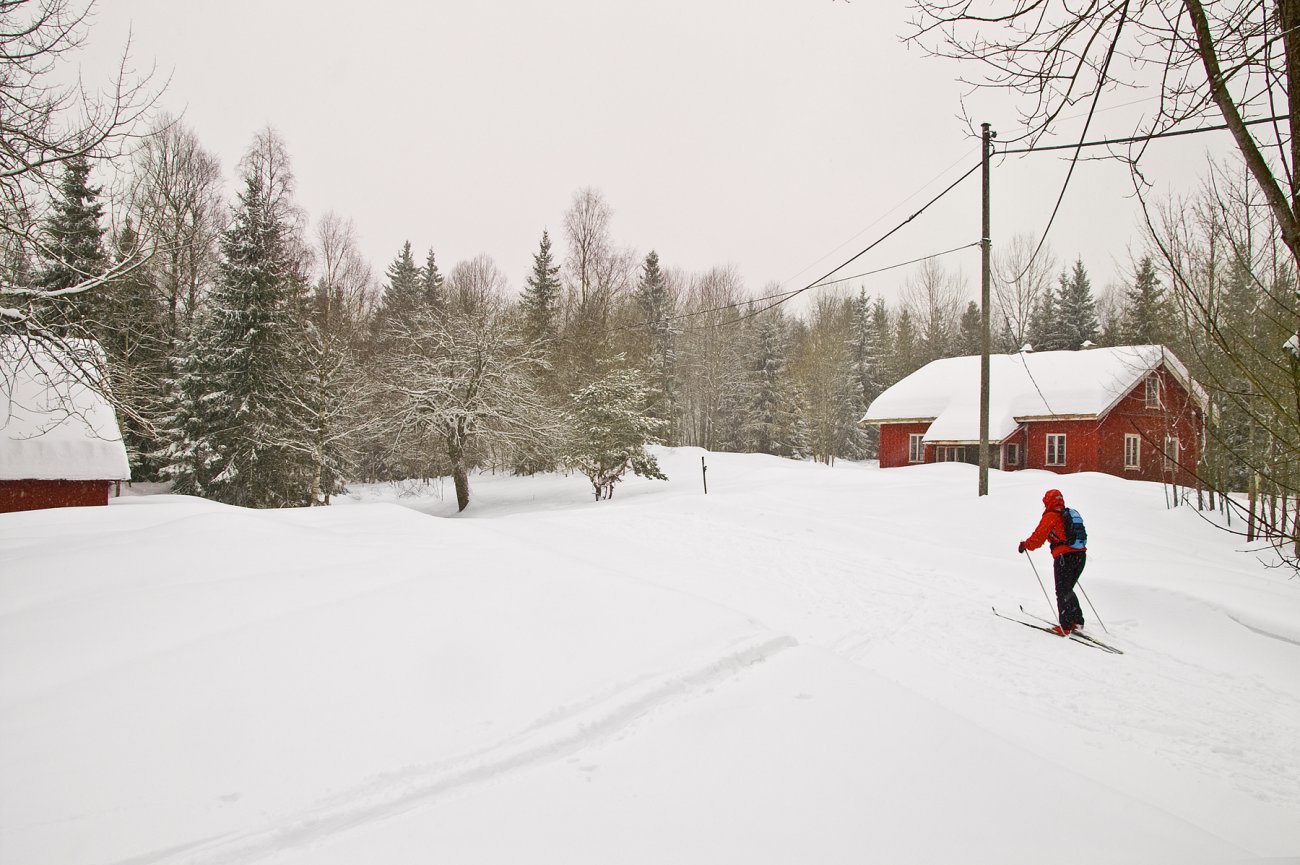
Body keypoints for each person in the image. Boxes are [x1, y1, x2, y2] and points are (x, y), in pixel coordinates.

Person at [1018, 488, 1086, 635]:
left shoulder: (1051, 516)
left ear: (1048, 501)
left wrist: (1026, 545)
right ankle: (1077, 620)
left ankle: (1065, 626)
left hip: (1064, 557)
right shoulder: (1068, 514)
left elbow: (1038, 537)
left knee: (1062, 590)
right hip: (1080, 556)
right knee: (1067, 589)